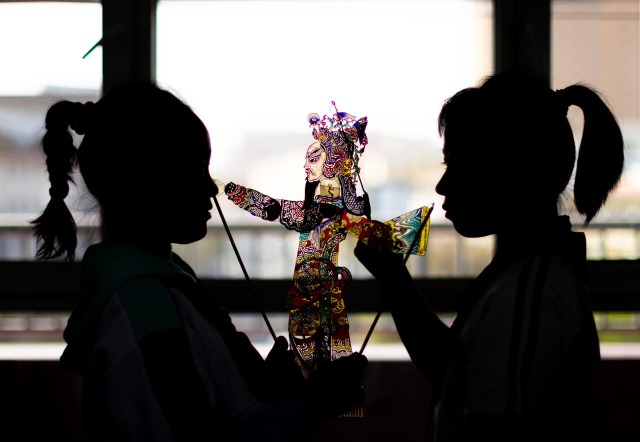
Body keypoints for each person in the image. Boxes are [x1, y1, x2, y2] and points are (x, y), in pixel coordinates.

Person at [31, 82, 368, 441]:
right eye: (194, 169)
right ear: (147, 181)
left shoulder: (156, 291)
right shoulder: (148, 311)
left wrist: (265, 389)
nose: (211, 188)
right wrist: (310, 406)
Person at [354, 70, 624, 442]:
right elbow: (457, 373)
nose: (442, 185)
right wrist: (391, 277)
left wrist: (392, 279)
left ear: (511, 171)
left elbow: (496, 424)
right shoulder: (524, 277)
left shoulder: (530, 291)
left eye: (458, 165)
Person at [224, 107, 430, 378]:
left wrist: (238, 194)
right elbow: (275, 208)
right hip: (311, 296)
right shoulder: (319, 214)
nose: (306, 166)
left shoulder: (328, 215)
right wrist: (239, 194)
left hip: (321, 297)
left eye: (313, 159)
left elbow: (274, 209)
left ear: (330, 167)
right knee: (314, 368)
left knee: (326, 368)